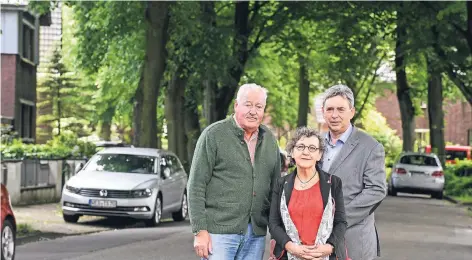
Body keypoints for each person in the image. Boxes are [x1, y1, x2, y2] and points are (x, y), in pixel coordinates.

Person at [187, 83, 281, 260]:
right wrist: (200, 230)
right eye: (248, 104)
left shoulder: (269, 140)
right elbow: (196, 186)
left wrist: (277, 234)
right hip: (219, 233)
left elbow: (275, 189)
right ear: (236, 106)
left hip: (256, 235)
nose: (253, 111)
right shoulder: (213, 135)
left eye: (258, 106)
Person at [321, 84, 387, 260]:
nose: (335, 115)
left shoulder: (371, 147)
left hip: (354, 240)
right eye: (330, 109)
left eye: (341, 109)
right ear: (323, 112)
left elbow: (376, 191)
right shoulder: (315, 144)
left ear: (352, 111)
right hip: (316, 239)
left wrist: (336, 220)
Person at [269, 127, 347, 260]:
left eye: (312, 148)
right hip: (289, 255)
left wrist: (329, 247)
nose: (305, 152)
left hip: (324, 255)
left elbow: (341, 222)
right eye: (300, 147)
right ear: (292, 152)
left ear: (320, 154)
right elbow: (274, 223)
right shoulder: (281, 184)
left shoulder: (333, 183)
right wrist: (291, 247)